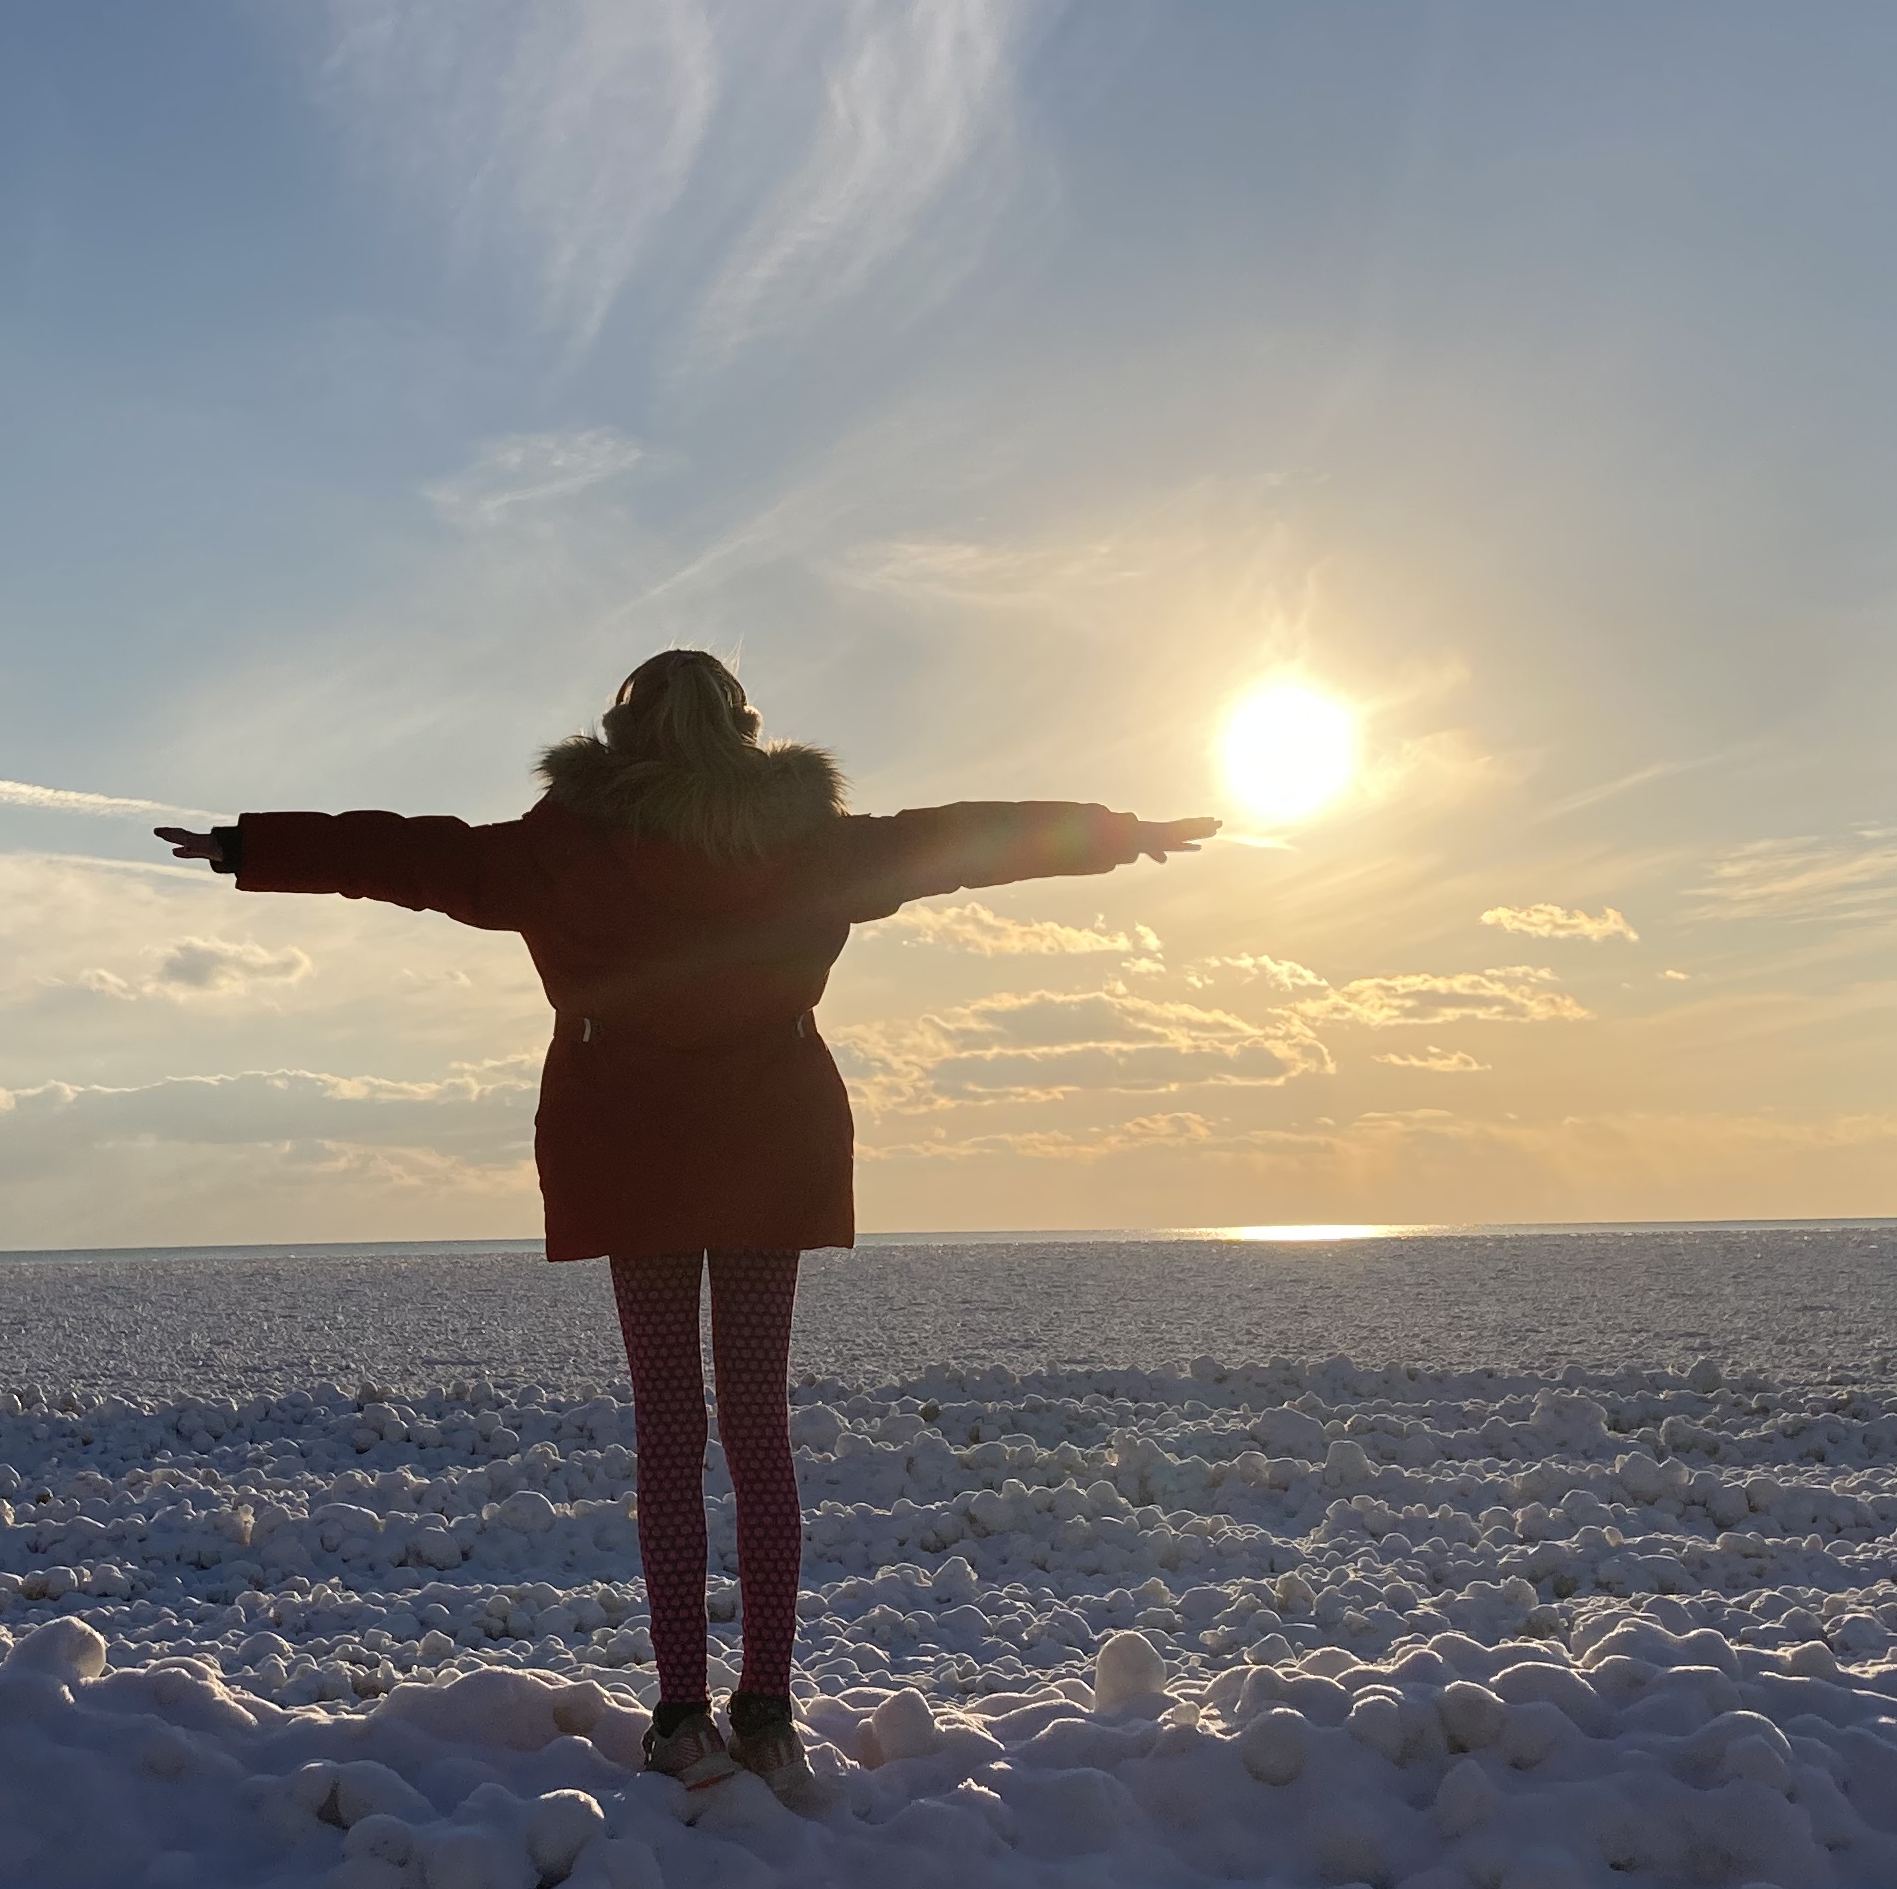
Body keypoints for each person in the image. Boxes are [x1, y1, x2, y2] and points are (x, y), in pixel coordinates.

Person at [156, 648, 1215, 1798]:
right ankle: (766, 1713)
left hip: (633, 1156)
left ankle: (679, 1717)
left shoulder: (559, 849)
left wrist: (250, 847)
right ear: (745, 732)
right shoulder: (811, 844)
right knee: (757, 1430)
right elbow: (969, 840)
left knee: (670, 1431)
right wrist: (1120, 830)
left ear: (622, 735)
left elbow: (405, 854)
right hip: (770, 1150)